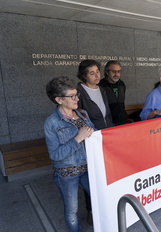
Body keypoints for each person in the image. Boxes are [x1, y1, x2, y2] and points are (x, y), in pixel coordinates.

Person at [44, 76, 95, 232]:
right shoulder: (51, 123)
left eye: (76, 94)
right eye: (72, 96)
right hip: (67, 173)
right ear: (59, 100)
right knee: (72, 210)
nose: (77, 98)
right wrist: (78, 137)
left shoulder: (82, 114)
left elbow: (93, 134)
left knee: (98, 199)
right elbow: (55, 154)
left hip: (88, 167)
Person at [76, 59, 113, 129]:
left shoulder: (102, 90)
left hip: (107, 131)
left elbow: (107, 115)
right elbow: (78, 117)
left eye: (97, 72)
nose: (97, 76)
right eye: (92, 73)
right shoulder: (78, 92)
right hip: (92, 134)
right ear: (84, 76)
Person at [99, 60, 128, 126]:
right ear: (107, 72)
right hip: (109, 123)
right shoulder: (100, 85)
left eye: (118, 71)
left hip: (123, 121)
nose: (116, 74)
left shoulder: (121, 84)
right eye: (113, 71)